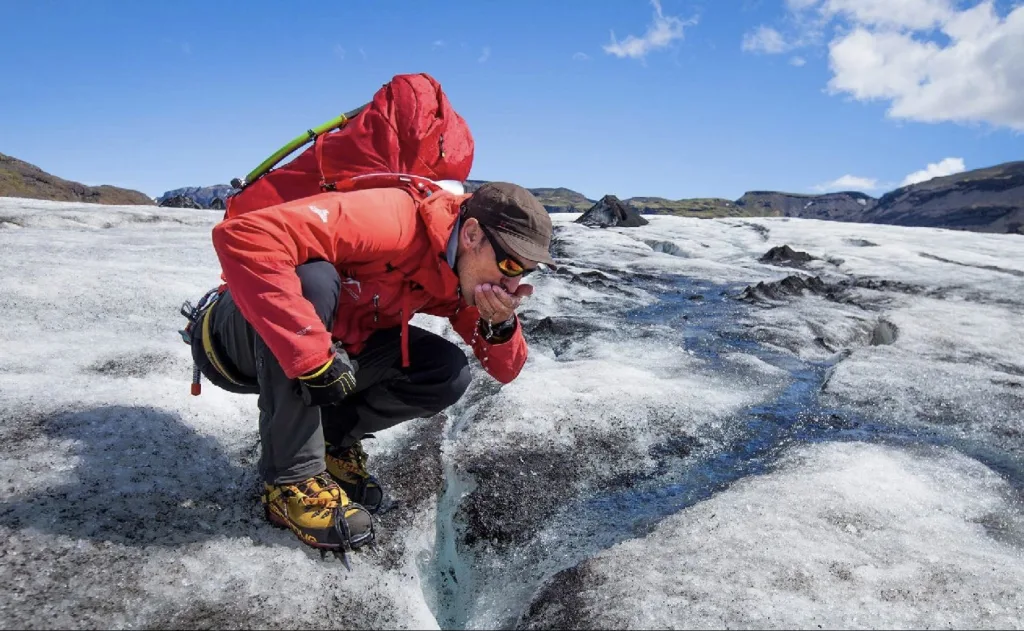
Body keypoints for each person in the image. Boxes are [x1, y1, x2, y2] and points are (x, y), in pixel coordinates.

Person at [182, 181, 556, 557]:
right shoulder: (391, 218)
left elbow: (506, 369)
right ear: (472, 233)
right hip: (232, 340)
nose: (513, 282)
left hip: (329, 350)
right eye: (508, 263)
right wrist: (312, 355)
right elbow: (242, 236)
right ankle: (291, 480)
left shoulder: (461, 268)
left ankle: (330, 442)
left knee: (447, 371)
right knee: (313, 278)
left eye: (525, 271)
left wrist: (500, 325)